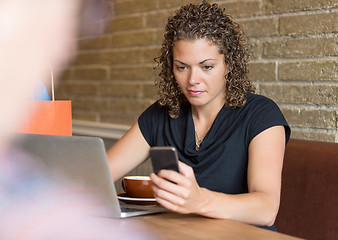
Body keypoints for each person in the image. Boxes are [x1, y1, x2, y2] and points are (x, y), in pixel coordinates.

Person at [107, 1, 290, 231]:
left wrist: (199, 200)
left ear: (229, 63)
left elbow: (266, 209)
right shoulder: (161, 115)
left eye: (207, 66)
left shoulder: (261, 115)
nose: (193, 80)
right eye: (182, 67)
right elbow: (99, 173)